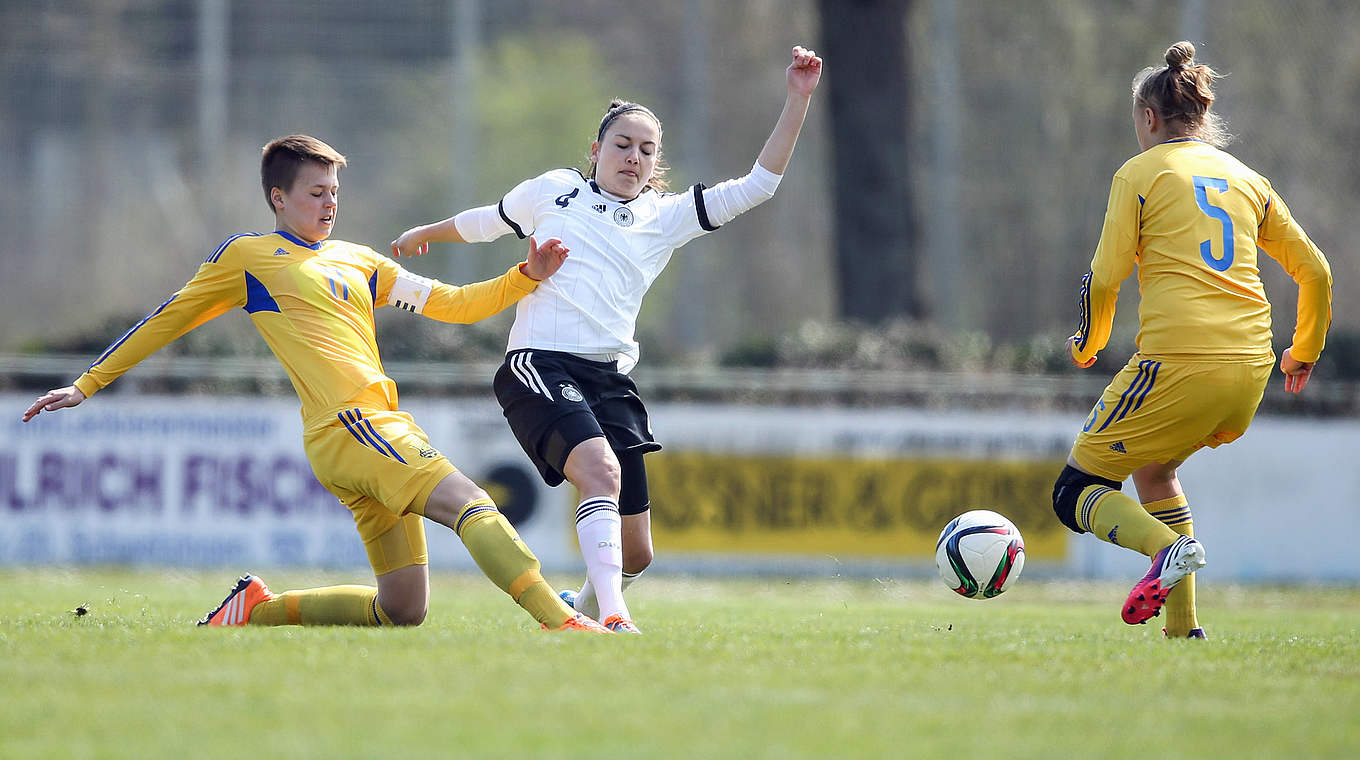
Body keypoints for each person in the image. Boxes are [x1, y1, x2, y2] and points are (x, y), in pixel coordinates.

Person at [21, 134, 609, 633]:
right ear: (279, 198)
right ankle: (565, 622)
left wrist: (523, 275)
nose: (329, 204)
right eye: (315, 193)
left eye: (335, 193)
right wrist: (88, 384)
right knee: (471, 504)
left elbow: (449, 303)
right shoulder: (250, 256)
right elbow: (169, 317)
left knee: (404, 608)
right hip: (352, 424)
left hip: (366, 431)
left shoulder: (359, 260)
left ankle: (257, 610)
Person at [391, 46, 824, 633]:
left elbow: (759, 186)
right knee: (599, 471)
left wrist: (797, 99)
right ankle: (614, 619)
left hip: (609, 379)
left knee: (637, 551)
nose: (634, 157)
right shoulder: (553, 190)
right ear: (596, 150)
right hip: (539, 364)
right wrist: (427, 234)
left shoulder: (664, 217)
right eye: (622, 144)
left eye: (647, 150)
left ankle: (585, 606)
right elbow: (486, 220)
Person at [1053, 42, 1333, 637]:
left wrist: (1089, 342)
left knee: (1075, 489)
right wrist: (1303, 350)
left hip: (1179, 364)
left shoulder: (1139, 173)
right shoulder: (1247, 179)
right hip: (1253, 370)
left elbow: (1105, 276)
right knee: (1155, 472)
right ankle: (1184, 632)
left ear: (1149, 119)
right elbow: (1316, 271)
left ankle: (1160, 551)